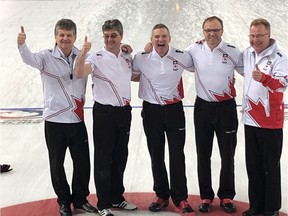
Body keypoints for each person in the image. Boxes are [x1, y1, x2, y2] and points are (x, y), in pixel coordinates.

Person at [17, 19, 97, 216]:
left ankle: (80, 199)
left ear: (75, 37)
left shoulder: (83, 56)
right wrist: (21, 44)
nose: (65, 38)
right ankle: (63, 201)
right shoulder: (45, 57)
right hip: (54, 120)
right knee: (56, 163)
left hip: (77, 119)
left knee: (82, 162)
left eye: (69, 35)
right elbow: (28, 58)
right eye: (61, 35)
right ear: (55, 37)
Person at [74, 19, 137, 216]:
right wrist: (83, 53)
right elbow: (78, 73)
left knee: (120, 156)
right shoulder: (96, 57)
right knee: (103, 159)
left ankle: (117, 197)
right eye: (106, 36)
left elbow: (134, 76)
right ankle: (103, 204)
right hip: (104, 114)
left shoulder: (127, 56)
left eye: (113, 36)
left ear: (121, 36)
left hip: (124, 112)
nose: (109, 39)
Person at [133, 23, 195, 215]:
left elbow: (197, 65)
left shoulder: (181, 55)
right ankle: (161, 195)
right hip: (151, 111)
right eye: (156, 37)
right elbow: (133, 75)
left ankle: (181, 198)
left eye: (164, 36)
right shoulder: (140, 58)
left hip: (174, 110)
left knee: (177, 154)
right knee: (156, 154)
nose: (160, 40)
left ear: (169, 38)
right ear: (151, 40)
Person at [185, 16, 243, 213]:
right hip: (203, 108)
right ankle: (206, 196)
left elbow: (250, 72)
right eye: (208, 30)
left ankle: (226, 195)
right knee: (203, 154)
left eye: (215, 30)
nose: (211, 34)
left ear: (222, 30)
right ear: (203, 31)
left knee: (228, 155)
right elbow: (172, 58)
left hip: (226, 108)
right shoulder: (193, 49)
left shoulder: (233, 52)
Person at [241, 18, 288, 216]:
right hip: (250, 119)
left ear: (268, 34)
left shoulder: (280, 57)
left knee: (270, 167)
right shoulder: (247, 53)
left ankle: (271, 208)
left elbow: (282, 84)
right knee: (253, 165)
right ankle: (256, 205)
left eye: (259, 35)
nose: (255, 39)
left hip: (270, 122)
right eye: (252, 35)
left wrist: (265, 78)